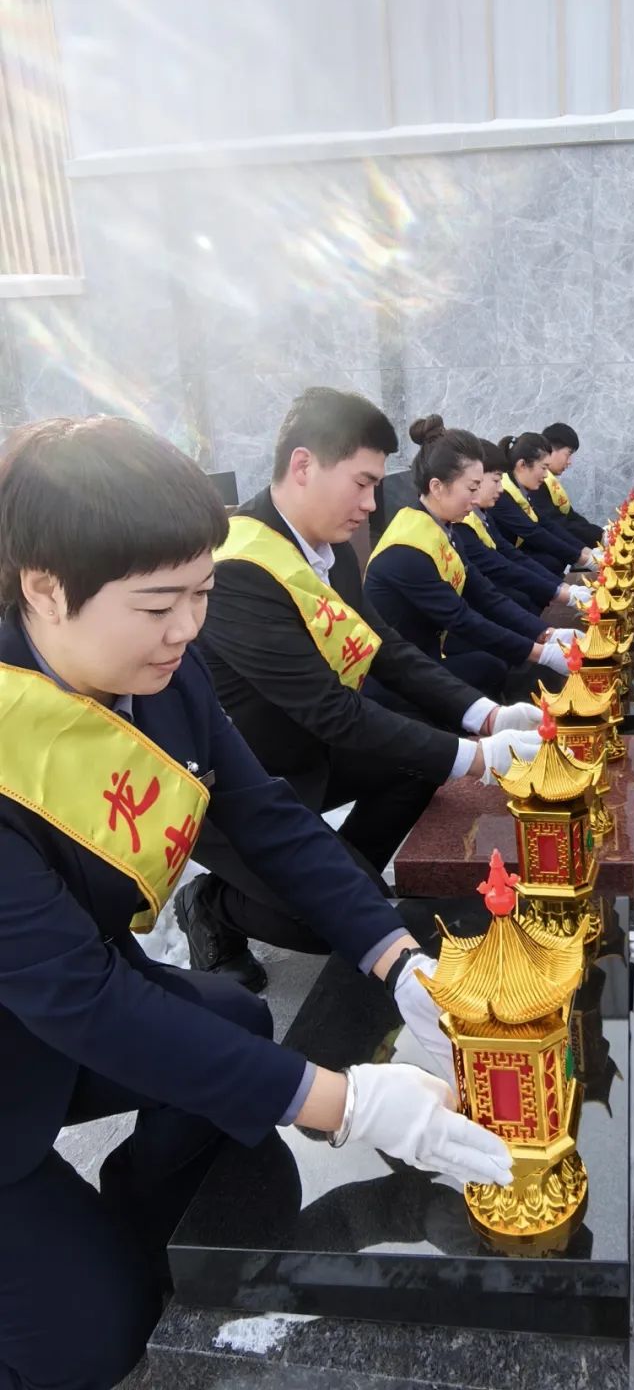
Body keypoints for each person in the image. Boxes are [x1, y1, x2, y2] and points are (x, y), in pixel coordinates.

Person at [0, 416, 512, 1390]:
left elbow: (267, 818)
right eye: (160, 605)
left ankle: (136, 1237)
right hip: (30, 1034)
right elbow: (86, 1001)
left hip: (56, 1008)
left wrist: (396, 957)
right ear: (41, 587)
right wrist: (344, 1101)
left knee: (233, 1020)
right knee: (88, 1345)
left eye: (200, 593)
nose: (190, 630)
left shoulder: (161, 668)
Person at [187, 388, 542, 992]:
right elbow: (330, 709)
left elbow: (386, 650)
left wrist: (486, 716)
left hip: (311, 754)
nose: (371, 502)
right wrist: (477, 760)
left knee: (413, 770)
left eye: (377, 484)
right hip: (242, 790)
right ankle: (214, 903)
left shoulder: (326, 548)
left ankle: (340, 877)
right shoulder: (238, 567)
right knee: (331, 927)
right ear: (303, 465)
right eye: (361, 482)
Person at [364, 421, 574, 700]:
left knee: (498, 663)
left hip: (428, 651)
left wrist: (546, 634)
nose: (476, 500)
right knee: (492, 668)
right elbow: (461, 618)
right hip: (399, 672)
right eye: (472, 488)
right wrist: (541, 653)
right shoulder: (407, 551)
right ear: (438, 487)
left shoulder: (443, 528)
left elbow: (484, 593)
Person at [457, 436, 594, 615]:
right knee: (521, 598)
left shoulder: (486, 508)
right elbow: (527, 538)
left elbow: (539, 528)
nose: (546, 475)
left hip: (494, 577)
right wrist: (561, 594)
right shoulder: (467, 519)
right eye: (495, 480)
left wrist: (566, 582)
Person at [489, 432, 600, 576]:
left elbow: (546, 524)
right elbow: (533, 532)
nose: (547, 475)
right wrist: (584, 560)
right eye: (543, 468)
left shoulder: (519, 489)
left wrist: (586, 552)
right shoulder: (502, 495)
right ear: (522, 465)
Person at [538, 422, 605, 547]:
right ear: (550, 450)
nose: (569, 462)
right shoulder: (536, 483)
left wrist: (602, 535)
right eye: (568, 455)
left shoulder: (548, 481)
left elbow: (569, 516)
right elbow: (559, 524)